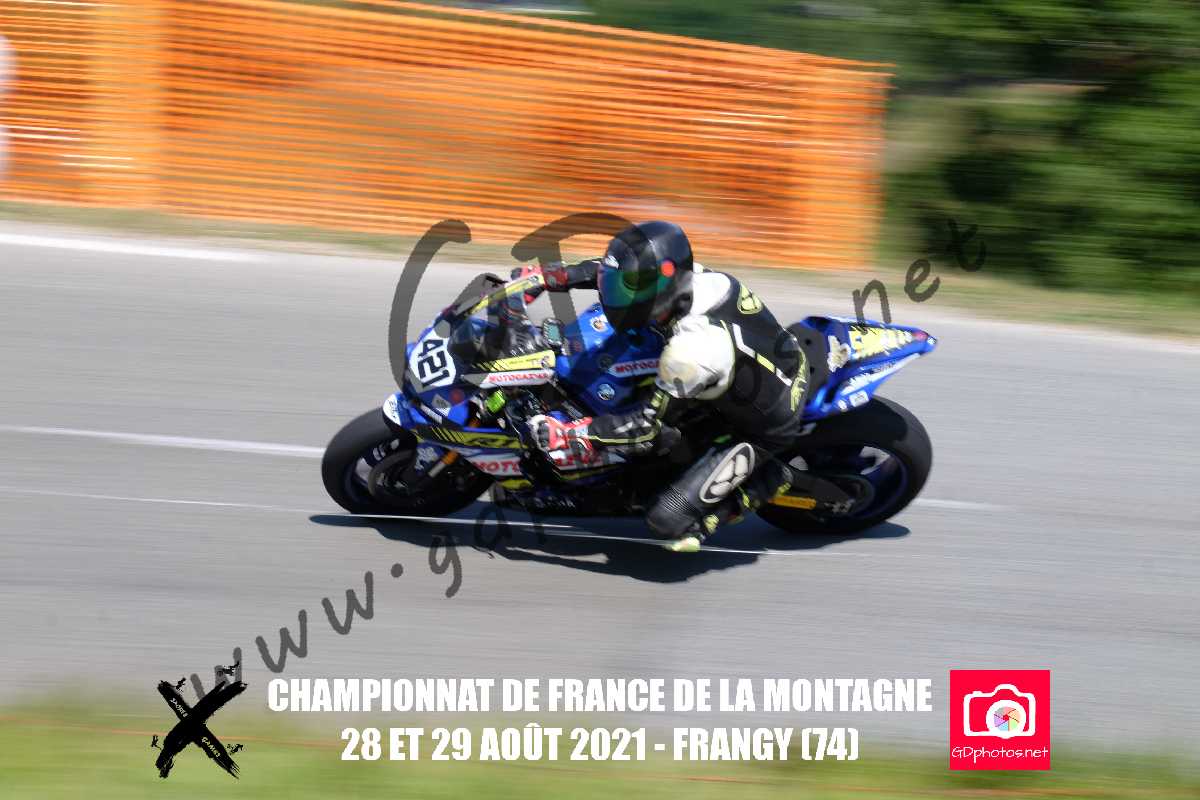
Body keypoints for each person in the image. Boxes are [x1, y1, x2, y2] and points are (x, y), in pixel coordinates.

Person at [523, 221, 808, 552]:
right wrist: (552, 277)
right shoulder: (693, 279)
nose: (616, 295)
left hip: (763, 424)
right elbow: (617, 272)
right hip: (743, 373)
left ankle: (769, 479)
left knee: (666, 519)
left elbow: (645, 428)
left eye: (628, 289)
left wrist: (572, 434)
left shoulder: (690, 351)